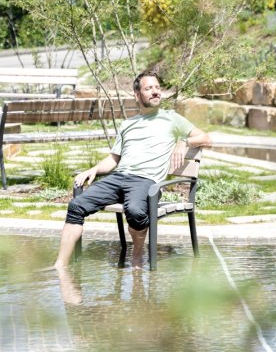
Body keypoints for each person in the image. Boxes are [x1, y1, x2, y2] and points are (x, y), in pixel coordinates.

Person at [54, 71, 212, 269]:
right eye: (149, 89)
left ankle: (137, 254)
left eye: (157, 88)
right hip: (118, 178)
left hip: (146, 181)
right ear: (138, 95)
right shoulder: (128, 124)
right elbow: (114, 159)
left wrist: (183, 141)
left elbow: (207, 139)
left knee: (135, 211)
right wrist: (94, 169)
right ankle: (60, 266)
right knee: (76, 206)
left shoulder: (171, 119)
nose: (155, 92)